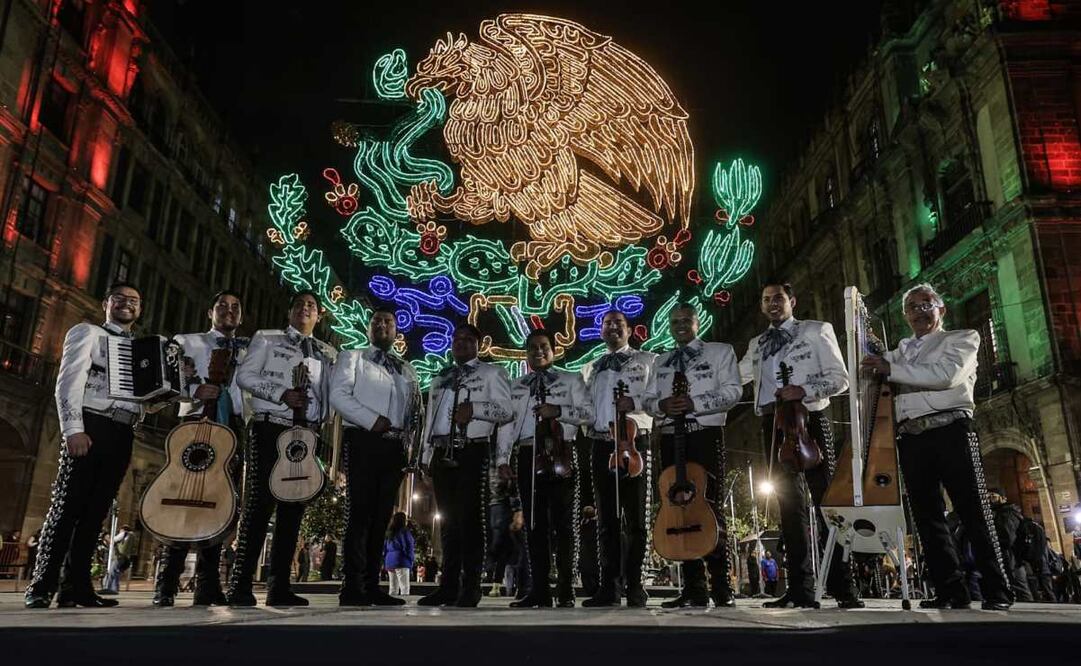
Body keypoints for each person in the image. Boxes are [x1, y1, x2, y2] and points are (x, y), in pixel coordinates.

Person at [862, 283, 1012, 611]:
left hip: (951, 430)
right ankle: (950, 589)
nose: (919, 311)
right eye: (912, 307)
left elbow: (946, 375)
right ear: (905, 316)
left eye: (925, 304)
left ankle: (997, 590)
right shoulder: (901, 350)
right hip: (912, 437)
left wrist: (891, 369)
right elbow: (869, 363)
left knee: (972, 510)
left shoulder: (961, 338)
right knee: (927, 517)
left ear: (940, 309)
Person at [25, 282, 151, 609]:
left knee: (96, 513)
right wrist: (73, 429)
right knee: (67, 507)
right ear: (106, 303)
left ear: (139, 309)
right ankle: (41, 586)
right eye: (120, 298)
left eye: (134, 301)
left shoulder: (140, 349)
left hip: (122, 432)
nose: (127, 304)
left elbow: (142, 402)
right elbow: (67, 382)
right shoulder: (88, 333)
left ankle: (75, 587)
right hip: (90, 425)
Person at [738, 282, 862, 609]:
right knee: (788, 508)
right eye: (766, 300)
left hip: (809, 420)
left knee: (827, 503)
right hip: (773, 424)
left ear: (791, 300)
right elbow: (735, 377)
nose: (772, 304)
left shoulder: (817, 330)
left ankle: (843, 586)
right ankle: (800, 588)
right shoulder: (757, 343)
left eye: (778, 298)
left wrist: (803, 389)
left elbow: (840, 378)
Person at [228, 290, 337, 607]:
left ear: (319, 316)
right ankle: (240, 584)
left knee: (293, 510)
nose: (306, 309)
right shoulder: (267, 338)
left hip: (304, 433)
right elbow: (245, 376)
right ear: (290, 311)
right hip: (269, 425)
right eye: (301, 304)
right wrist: (281, 394)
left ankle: (279, 586)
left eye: (312, 306)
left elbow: (329, 393)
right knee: (259, 505)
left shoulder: (326, 351)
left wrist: (320, 419)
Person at [153, 290, 249, 607]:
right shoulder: (187, 341)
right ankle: (166, 584)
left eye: (235, 308)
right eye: (222, 306)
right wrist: (195, 389)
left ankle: (208, 585)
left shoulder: (249, 350)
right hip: (192, 424)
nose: (229, 312)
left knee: (221, 504)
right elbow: (164, 381)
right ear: (210, 312)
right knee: (182, 504)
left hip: (230, 428)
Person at [644, 304, 741, 608]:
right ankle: (693, 588)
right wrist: (661, 406)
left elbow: (733, 391)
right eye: (675, 322)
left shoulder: (720, 352)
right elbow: (647, 401)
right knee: (677, 506)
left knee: (709, 506)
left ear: (698, 323)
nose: (680, 326)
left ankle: (721, 585)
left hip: (703, 433)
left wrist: (693, 402)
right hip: (671, 437)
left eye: (686, 320)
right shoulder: (660, 361)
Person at [496, 329, 594, 608]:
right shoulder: (515, 386)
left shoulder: (571, 379)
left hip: (562, 454)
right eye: (532, 348)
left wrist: (559, 411)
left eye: (544, 346)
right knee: (534, 526)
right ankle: (538, 589)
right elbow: (506, 425)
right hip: (528, 454)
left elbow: (589, 414)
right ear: (526, 353)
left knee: (565, 527)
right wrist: (502, 459)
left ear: (553, 349)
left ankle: (566, 590)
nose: (538, 351)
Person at [417, 324, 513, 607]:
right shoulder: (440, 378)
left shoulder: (492, 373)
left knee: (470, 519)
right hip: (441, 449)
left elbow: (506, 410)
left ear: (479, 344)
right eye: (457, 340)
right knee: (447, 522)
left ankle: (471, 585)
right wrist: (425, 457)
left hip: (472, 450)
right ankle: (447, 585)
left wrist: (477, 410)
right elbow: (430, 418)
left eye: (468, 340)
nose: (461, 344)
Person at [331, 308, 422, 606]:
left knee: (381, 518)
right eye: (377, 322)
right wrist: (372, 420)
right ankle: (352, 586)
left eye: (389, 322)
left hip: (394, 447)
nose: (383, 325)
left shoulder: (406, 368)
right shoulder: (351, 358)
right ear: (369, 328)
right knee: (359, 515)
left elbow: (413, 411)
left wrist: (411, 445)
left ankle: (372, 585)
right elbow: (339, 396)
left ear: (397, 331)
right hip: (363, 439)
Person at [581, 310, 656, 608]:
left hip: (635, 442)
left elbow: (656, 399)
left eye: (618, 324)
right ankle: (608, 587)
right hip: (601, 444)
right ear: (601, 331)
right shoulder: (590, 367)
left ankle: (636, 584)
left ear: (629, 330)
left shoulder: (648, 360)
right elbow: (585, 406)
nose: (612, 328)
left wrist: (634, 403)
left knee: (637, 519)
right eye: (607, 324)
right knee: (607, 521)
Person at [384, 512, 416, 597]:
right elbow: (409, 546)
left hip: (390, 561)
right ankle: (404, 607)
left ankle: (391, 607)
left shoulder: (389, 532)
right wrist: (411, 559)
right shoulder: (404, 531)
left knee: (393, 588)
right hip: (401, 560)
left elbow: (385, 548)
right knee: (404, 587)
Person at [102, 524, 135, 594]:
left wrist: (106, 536)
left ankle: (108, 588)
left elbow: (113, 540)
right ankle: (115, 589)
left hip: (119, 556)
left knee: (112, 572)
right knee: (116, 573)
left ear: (123, 529)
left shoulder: (124, 533)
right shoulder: (133, 536)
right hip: (126, 557)